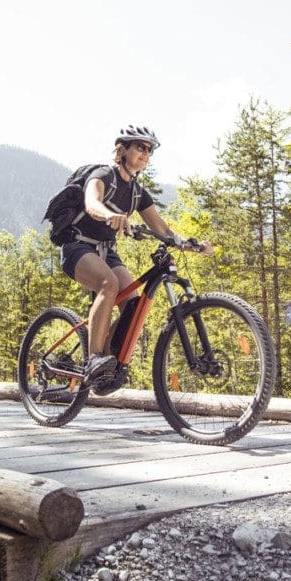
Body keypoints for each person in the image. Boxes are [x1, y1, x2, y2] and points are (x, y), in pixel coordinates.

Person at [61, 124, 213, 385]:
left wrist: (190, 245)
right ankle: (94, 358)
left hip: (106, 252)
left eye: (149, 150)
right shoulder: (103, 174)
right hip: (77, 245)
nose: (146, 153)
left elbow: (162, 229)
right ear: (122, 150)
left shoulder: (137, 192)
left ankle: (106, 364)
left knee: (132, 301)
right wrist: (110, 215)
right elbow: (92, 203)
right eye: (140, 147)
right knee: (109, 283)